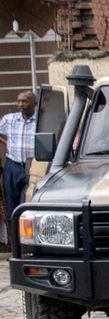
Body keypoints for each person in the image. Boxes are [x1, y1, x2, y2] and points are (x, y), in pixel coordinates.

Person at [0, 90, 38, 229]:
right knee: (11, 204)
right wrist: (7, 143)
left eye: (25, 101)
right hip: (13, 166)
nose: (21, 104)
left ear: (34, 103)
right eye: (19, 101)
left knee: (26, 204)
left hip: (32, 167)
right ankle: (14, 237)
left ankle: (25, 235)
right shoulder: (10, 119)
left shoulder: (40, 121)